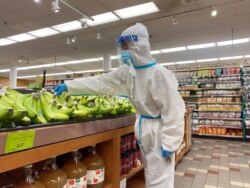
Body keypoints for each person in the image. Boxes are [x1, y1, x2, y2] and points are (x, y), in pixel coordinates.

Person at [54, 23, 185, 188]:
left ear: (140, 46)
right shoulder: (128, 72)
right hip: (143, 127)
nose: (123, 51)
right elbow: (101, 82)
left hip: (158, 131)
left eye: (127, 47)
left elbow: (174, 109)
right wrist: (70, 86)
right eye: (122, 47)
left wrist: (170, 142)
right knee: (151, 173)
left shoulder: (159, 74)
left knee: (161, 179)